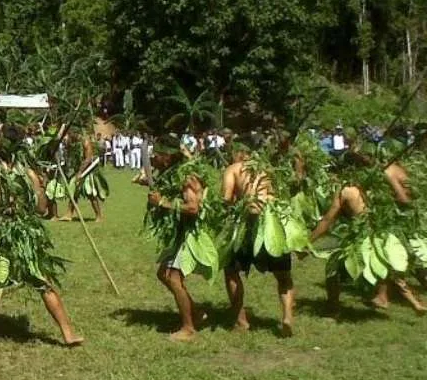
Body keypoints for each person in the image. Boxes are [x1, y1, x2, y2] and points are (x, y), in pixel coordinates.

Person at [0, 126, 84, 347]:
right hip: (23, 234)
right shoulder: (29, 174)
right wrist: (37, 190)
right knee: (43, 282)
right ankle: (68, 333)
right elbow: (41, 209)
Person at [310, 148, 426, 315]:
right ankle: (414, 303)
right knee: (389, 270)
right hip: (380, 230)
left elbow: (328, 220)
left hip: (362, 233)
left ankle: (333, 308)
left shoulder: (346, 190)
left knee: (333, 269)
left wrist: (310, 240)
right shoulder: (376, 183)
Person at [221, 141, 296, 337]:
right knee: (283, 276)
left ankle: (241, 320)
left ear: (240, 152)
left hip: (248, 221)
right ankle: (287, 316)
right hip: (273, 222)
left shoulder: (234, 169)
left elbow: (227, 198)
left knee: (230, 271)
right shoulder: (270, 169)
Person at [145, 149, 208, 341]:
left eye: (158, 153)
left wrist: (163, 202)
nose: (154, 157)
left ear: (169, 155)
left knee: (173, 278)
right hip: (179, 233)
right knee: (163, 275)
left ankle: (188, 328)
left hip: (189, 234)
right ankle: (196, 312)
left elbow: (193, 207)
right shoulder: (174, 173)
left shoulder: (186, 177)